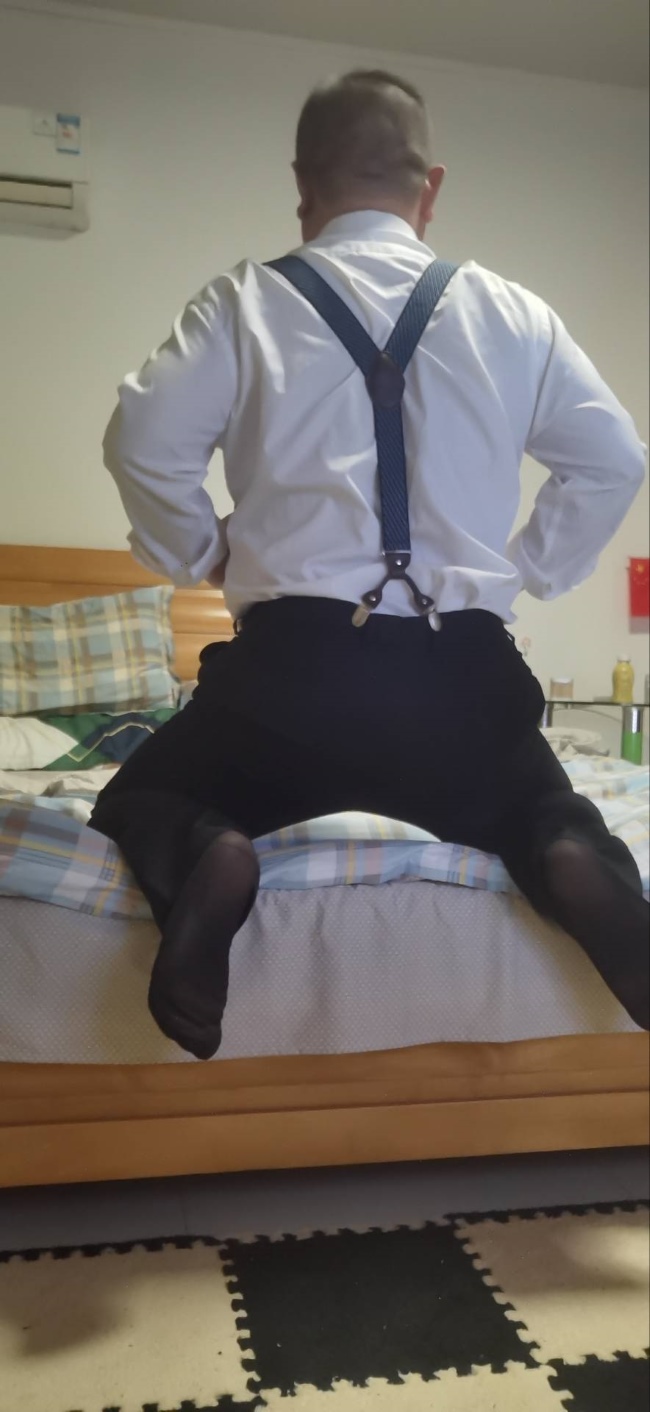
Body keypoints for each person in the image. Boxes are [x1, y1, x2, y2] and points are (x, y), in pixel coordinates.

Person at [91, 70, 648, 1059]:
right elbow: (612, 460)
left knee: (141, 798)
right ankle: (568, 858)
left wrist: (203, 550)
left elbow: (142, 440)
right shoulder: (511, 312)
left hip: (288, 683)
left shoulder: (245, 299)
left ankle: (214, 853)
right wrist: (522, 569)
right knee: (540, 806)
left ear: (302, 184)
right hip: (463, 683)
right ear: (429, 187)